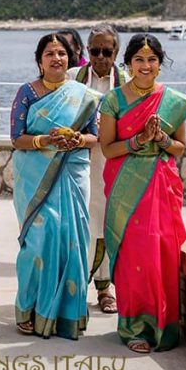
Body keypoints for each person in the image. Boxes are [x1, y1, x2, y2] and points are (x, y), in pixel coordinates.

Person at [98, 34, 186, 354]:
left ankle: (164, 328)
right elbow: (108, 149)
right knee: (134, 255)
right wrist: (138, 142)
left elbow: (179, 148)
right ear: (128, 64)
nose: (145, 65)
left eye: (151, 60)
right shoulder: (113, 100)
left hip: (161, 185)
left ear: (160, 64)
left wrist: (162, 139)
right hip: (127, 186)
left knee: (163, 253)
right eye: (139, 59)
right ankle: (134, 327)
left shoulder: (173, 101)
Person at [9, 34, 101, 339]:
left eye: (62, 53)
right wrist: (45, 140)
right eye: (50, 53)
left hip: (73, 173)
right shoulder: (27, 93)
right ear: (40, 60)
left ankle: (66, 315)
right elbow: (16, 138)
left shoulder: (84, 95)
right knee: (38, 240)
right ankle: (29, 309)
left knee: (72, 239)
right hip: (35, 176)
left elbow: (94, 136)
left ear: (70, 59)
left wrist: (76, 139)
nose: (56, 58)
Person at [70, 24, 127, 314]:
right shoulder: (72, 79)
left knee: (108, 225)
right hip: (78, 164)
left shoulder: (128, 84)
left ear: (116, 52)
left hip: (115, 165)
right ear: (87, 52)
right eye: (95, 51)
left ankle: (106, 289)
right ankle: (75, 287)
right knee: (80, 225)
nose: (101, 57)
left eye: (107, 51)